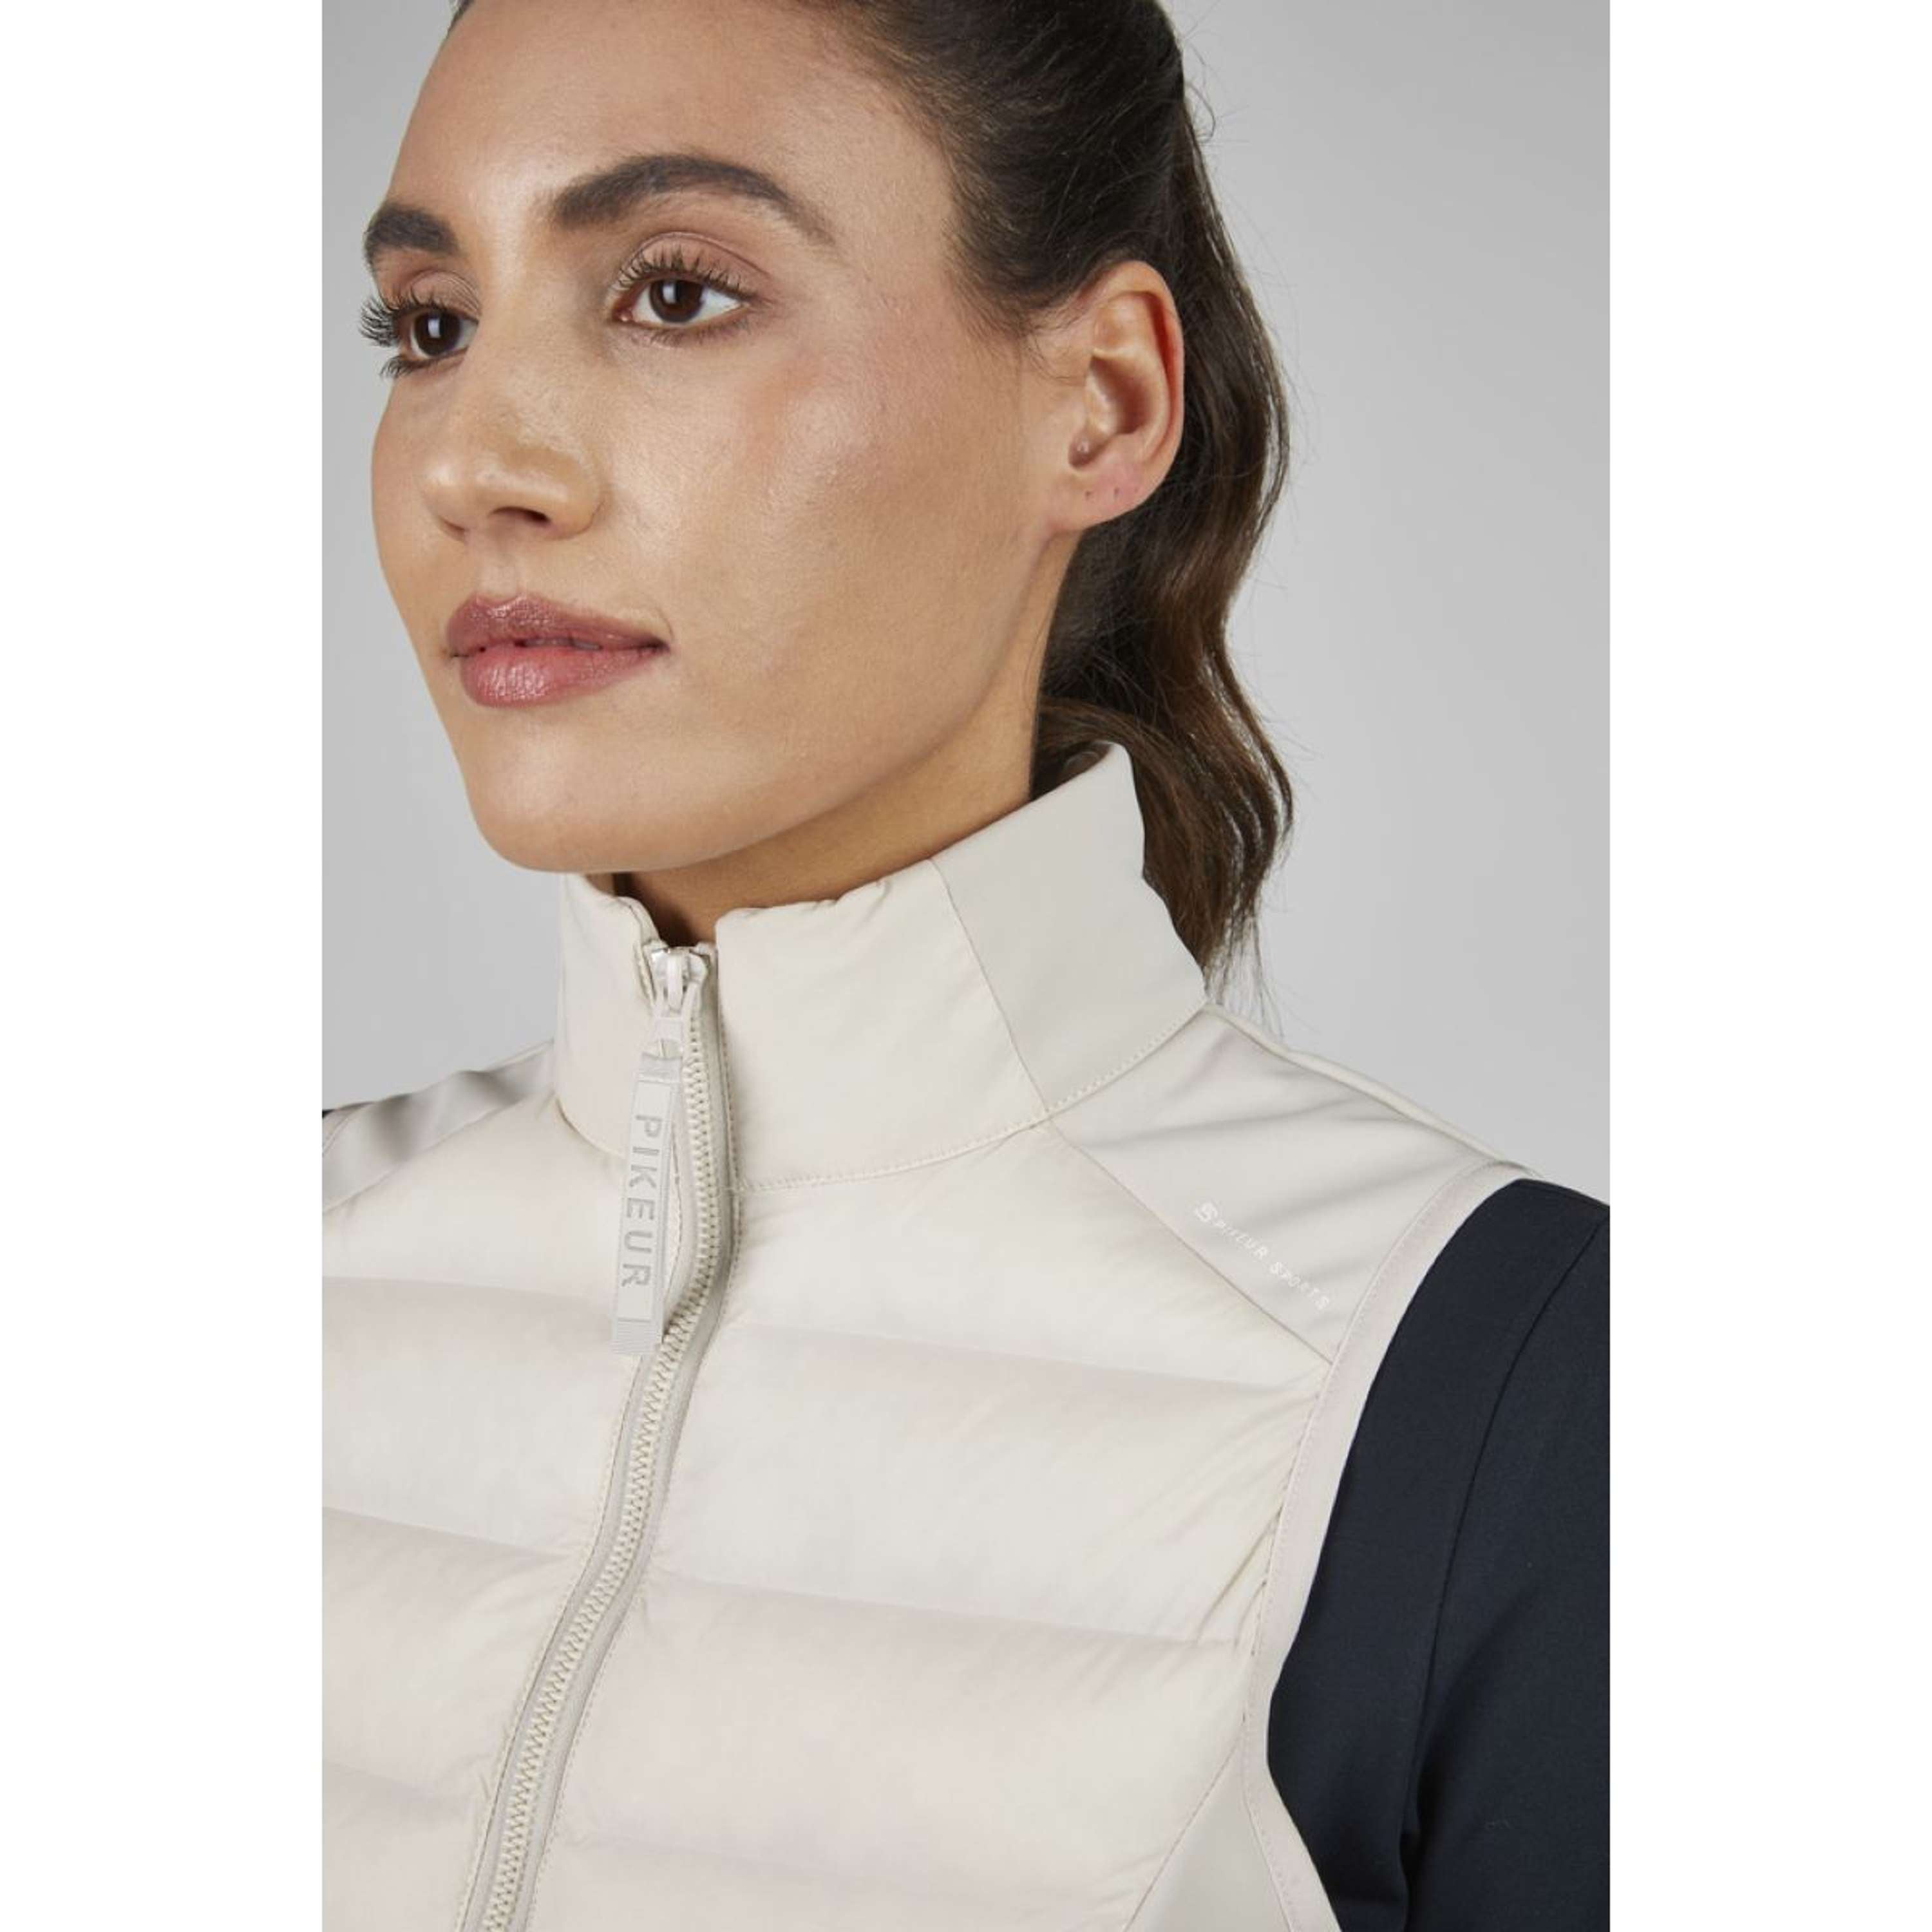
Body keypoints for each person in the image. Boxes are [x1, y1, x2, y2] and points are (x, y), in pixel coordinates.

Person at [323, 1, 1608, 1927]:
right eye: (431, 326)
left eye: (676, 294)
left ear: (1098, 402)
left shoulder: (1501, 1393)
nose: (475, 465)